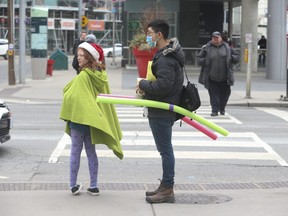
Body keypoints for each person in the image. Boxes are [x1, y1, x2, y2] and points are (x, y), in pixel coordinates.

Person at [60, 42, 123, 196]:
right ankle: (94, 185)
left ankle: (73, 185)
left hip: (79, 118)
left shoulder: (83, 76)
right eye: (78, 55)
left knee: (75, 151)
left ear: (89, 58)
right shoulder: (100, 75)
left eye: (81, 55)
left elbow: (71, 96)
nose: (78, 58)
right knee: (91, 152)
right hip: (92, 120)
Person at [136, 19, 185, 204]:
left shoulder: (165, 58)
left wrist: (142, 84)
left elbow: (163, 86)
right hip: (162, 107)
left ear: (159, 35)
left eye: (149, 33)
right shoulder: (166, 54)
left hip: (162, 109)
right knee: (165, 150)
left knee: (165, 151)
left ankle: (167, 189)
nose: (147, 37)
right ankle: (165, 185)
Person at [197, 31, 240, 116]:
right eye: (214, 38)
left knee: (225, 94)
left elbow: (237, 57)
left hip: (225, 77)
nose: (215, 39)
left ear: (220, 38)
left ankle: (222, 108)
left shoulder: (227, 47)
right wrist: (205, 61)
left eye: (217, 37)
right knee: (213, 95)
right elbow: (199, 59)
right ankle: (215, 110)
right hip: (212, 77)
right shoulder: (206, 48)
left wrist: (232, 58)